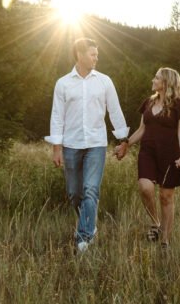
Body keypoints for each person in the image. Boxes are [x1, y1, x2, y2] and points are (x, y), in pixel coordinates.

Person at [45, 38, 130, 253]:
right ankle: (89, 224)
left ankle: (83, 237)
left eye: (96, 54)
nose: (96, 58)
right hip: (71, 144)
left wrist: (123, 139)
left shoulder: (104, 81)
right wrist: (56, 148)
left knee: (91, 189)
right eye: (92, 54)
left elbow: (115, 110)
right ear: (79, 55)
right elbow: (57, 116)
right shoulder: (63, 83)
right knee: (74, 193)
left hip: (96, 144)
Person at [116, 68, 180, 247]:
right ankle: (156, 223)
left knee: (166, 196)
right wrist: (126, 144)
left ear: (166, 82)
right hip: (147, 152)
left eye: (156, 78)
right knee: (145, 187)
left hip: (170, 153)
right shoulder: (148, 102)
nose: (153, 80)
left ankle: (165, 240)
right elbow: (142, 129)